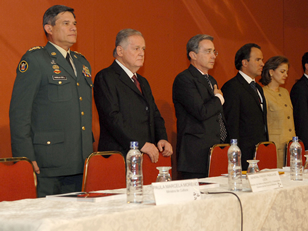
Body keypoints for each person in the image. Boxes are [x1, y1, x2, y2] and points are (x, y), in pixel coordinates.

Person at [9, 5, 93, 197]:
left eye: (74, 23)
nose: (73, 28)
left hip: (81, 161)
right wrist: (25, 159)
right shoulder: (36, 60)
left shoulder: (82, 62)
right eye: (66, 23)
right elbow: (19, 114)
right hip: (47, 164)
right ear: (49, 28)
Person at [94, 29, 172, 163]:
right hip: (119, 157)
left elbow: (154, 114)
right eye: (136, 48)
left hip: (147, 156)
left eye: (143, 49)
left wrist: (162, 138)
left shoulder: (142, 81)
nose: (141, 53)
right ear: (120, 51)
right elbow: (112, 118)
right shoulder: (106, 77)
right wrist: (140, 144)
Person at [172, 34, 227, 179]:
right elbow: (201, 112)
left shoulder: (211, 80)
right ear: (193, 55)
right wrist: (219, 98)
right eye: (208, 51)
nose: (213, 56)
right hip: (195, 156)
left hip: (215, 151)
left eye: (214, 51)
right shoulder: (185, 79)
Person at [222, 43, 268, 170]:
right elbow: (232, 124)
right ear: (245, 63)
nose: (262, 64)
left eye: (262, 60)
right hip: (242, 155)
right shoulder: (232, 87)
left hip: (259, 152)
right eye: (258, 59)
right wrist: (235, 155)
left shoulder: (258, 88)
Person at [260, 56, 295, 168]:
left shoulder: (285, 92)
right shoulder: (263, 93)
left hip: (291, 145)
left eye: (287, 72)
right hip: (275, 145)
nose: (286, 75)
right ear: (271, 72)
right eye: (282, 71)